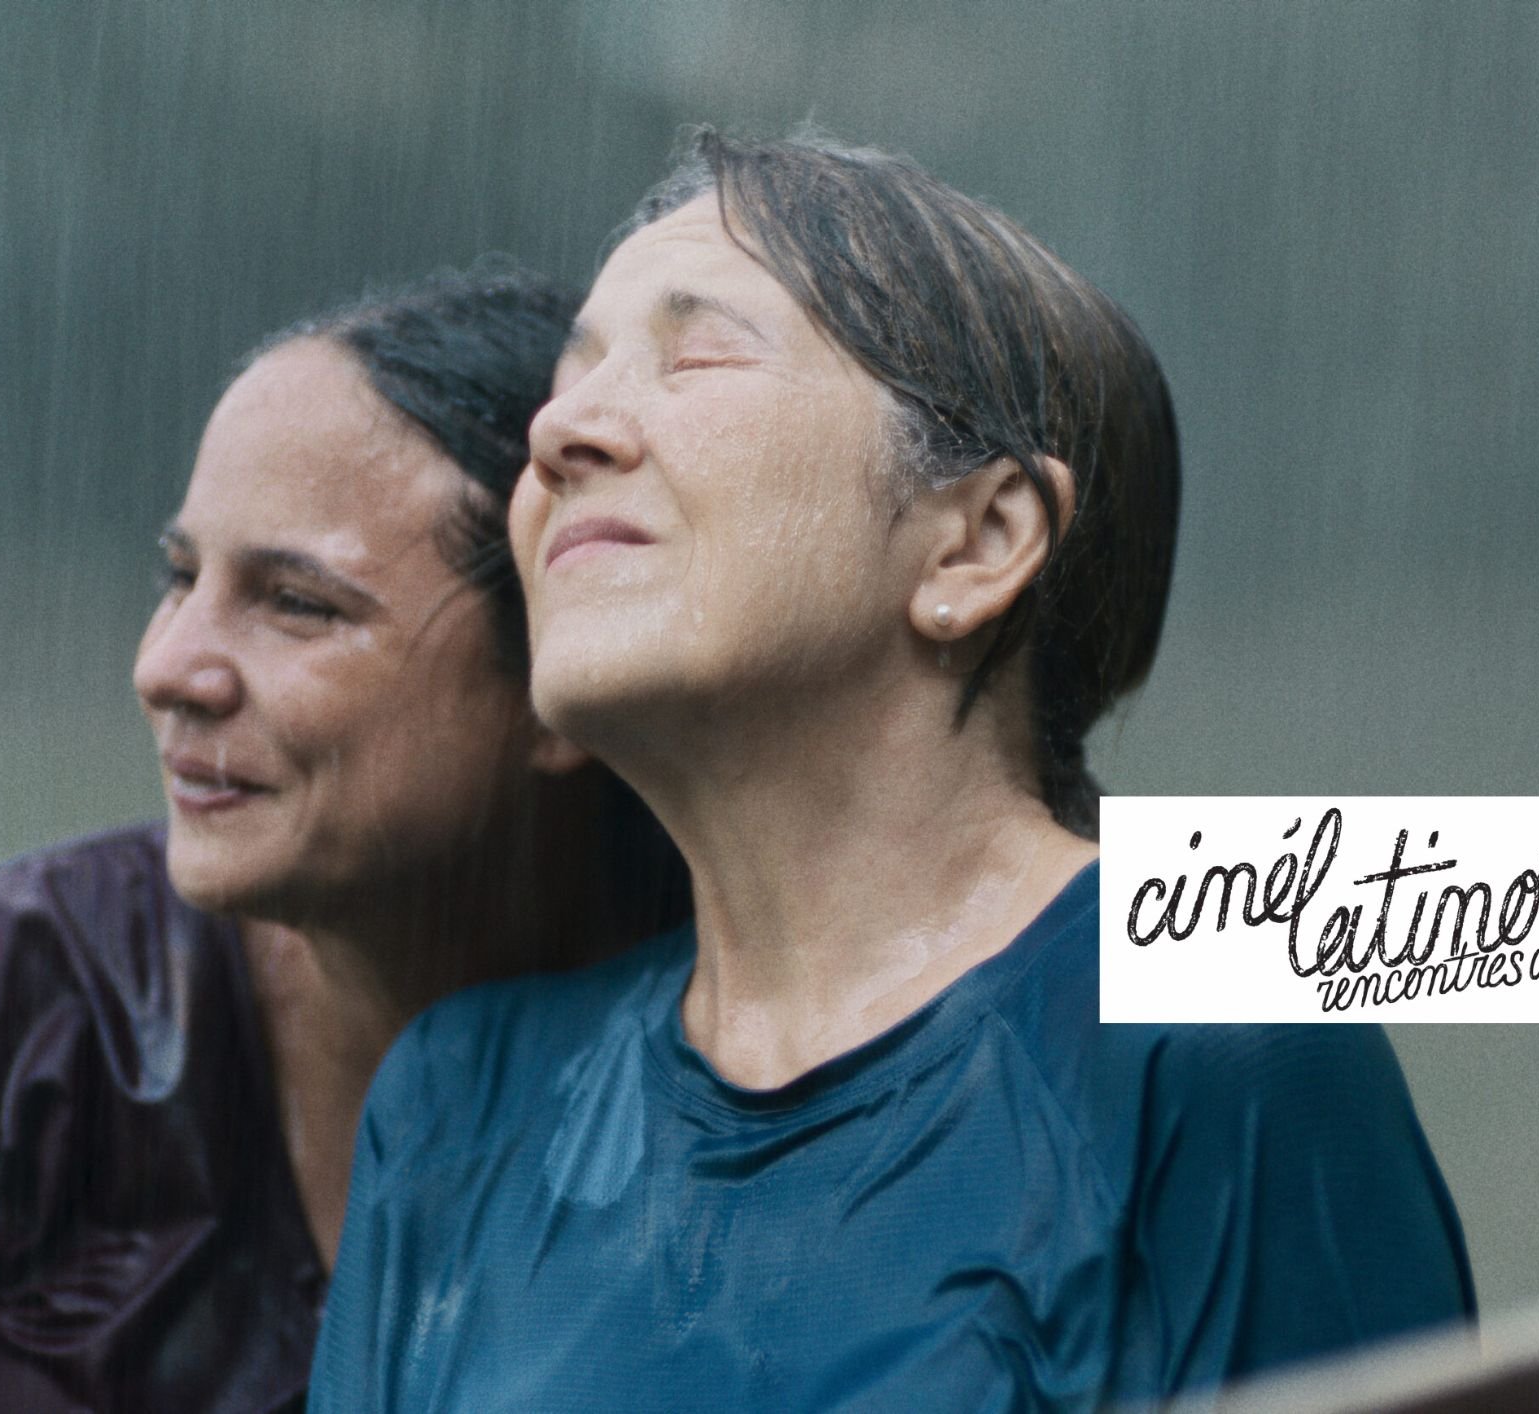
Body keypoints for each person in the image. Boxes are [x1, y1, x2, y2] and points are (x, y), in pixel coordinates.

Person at [310, 133, 1474, 1411]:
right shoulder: (459, 1105)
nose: (556, 432)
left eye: (696, 354)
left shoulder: (1206, 1043)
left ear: (975, 540)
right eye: (569, 378)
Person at [0, 260, 682, 1412]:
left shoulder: (748, 1075)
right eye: (179, 576)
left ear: (563, 676)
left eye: (296, 603)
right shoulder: (31, 1000)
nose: (167, 667)